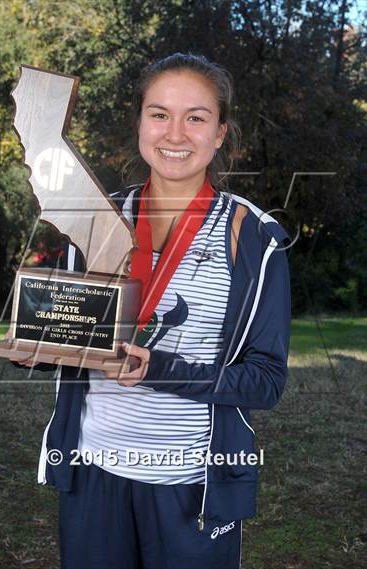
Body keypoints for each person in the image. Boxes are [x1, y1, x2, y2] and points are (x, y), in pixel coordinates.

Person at [33, 53, 291, 569]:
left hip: (189, 484)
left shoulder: (253, 235)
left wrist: (162, 369)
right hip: (92, 473)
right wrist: (40, 347)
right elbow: (71, 335)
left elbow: (265, 382)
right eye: (159, 114)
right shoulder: (94, 219)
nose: (175, 133)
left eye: (196, 117)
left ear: (220, 132)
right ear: (139, 124)